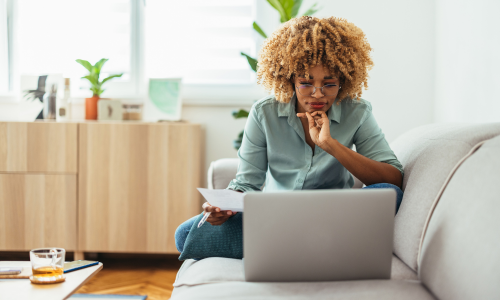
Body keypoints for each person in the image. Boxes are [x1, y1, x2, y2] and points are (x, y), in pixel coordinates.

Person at [175, 16, 404, 253]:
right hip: (275, 216)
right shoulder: (265, 113)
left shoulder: (357, 112)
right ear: (290, 79)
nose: (317, 94)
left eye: (329, 84)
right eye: (306, 83)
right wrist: (224, 207)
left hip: (333, 216)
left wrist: (330, 144)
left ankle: (289, 247)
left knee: (390, 194)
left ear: (343, 81)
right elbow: (246, 183)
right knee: (184, 235)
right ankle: (314, 246)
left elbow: (392, 180)